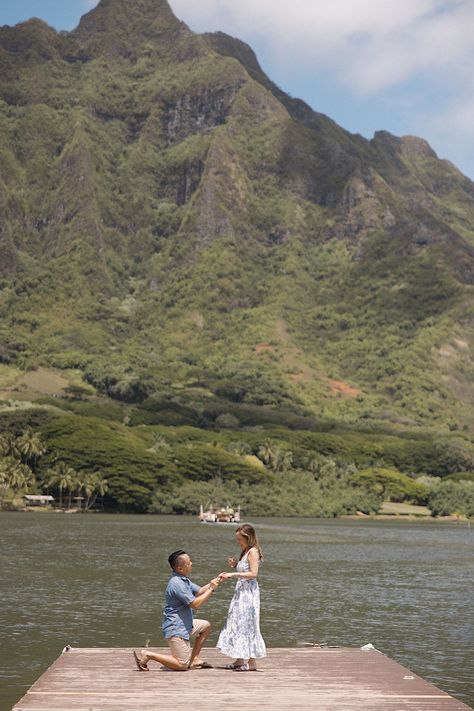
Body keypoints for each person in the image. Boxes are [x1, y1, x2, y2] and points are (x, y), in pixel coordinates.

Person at [133, 549, 221, 671]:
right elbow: (195, 604)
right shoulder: (177, 584)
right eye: (189, 562)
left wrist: (216, 580)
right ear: (180, 568)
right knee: (182, 665)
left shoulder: (183, 580)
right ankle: (148, 655)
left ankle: (194, 659)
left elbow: (200, 591)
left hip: (184, 624)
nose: (192, 564)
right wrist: (211, 589)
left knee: (205, 626)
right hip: (176, 627)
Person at [217, 523, 266, 671]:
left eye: (240, 539)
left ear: (248, 538)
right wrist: (235, 565)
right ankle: (239, 659)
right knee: (237, 623)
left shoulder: (253, 552)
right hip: (241, 593)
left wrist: (233, 574)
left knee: (248, 624)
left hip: (248, 595)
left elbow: (253, 574)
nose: (238, 542)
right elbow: (245, 568)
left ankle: (251, 663)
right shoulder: (245, 552)